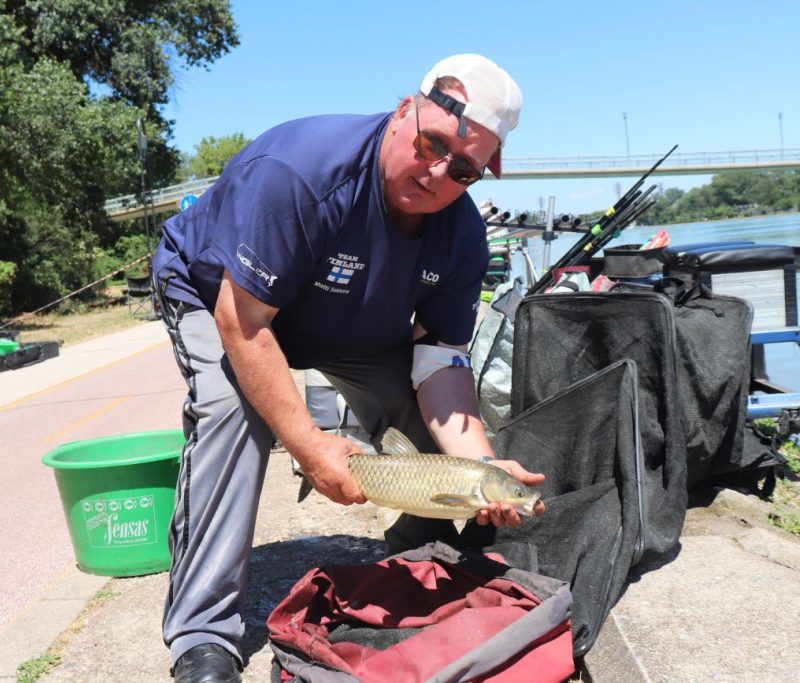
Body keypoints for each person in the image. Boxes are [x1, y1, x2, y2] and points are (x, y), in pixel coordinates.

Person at [151, 53, 546, 683]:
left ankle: (425, 558)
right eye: (431, 142)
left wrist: (482, 466)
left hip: (348, 324)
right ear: (403, 113)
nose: (439, 171)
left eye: (464, 168)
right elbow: (244, 323)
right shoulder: (300, 171)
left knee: (433, 450)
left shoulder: (464, 234)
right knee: (234, 414)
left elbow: (441, 360)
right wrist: (309, 445)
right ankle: (203, 633)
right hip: (222, 296)